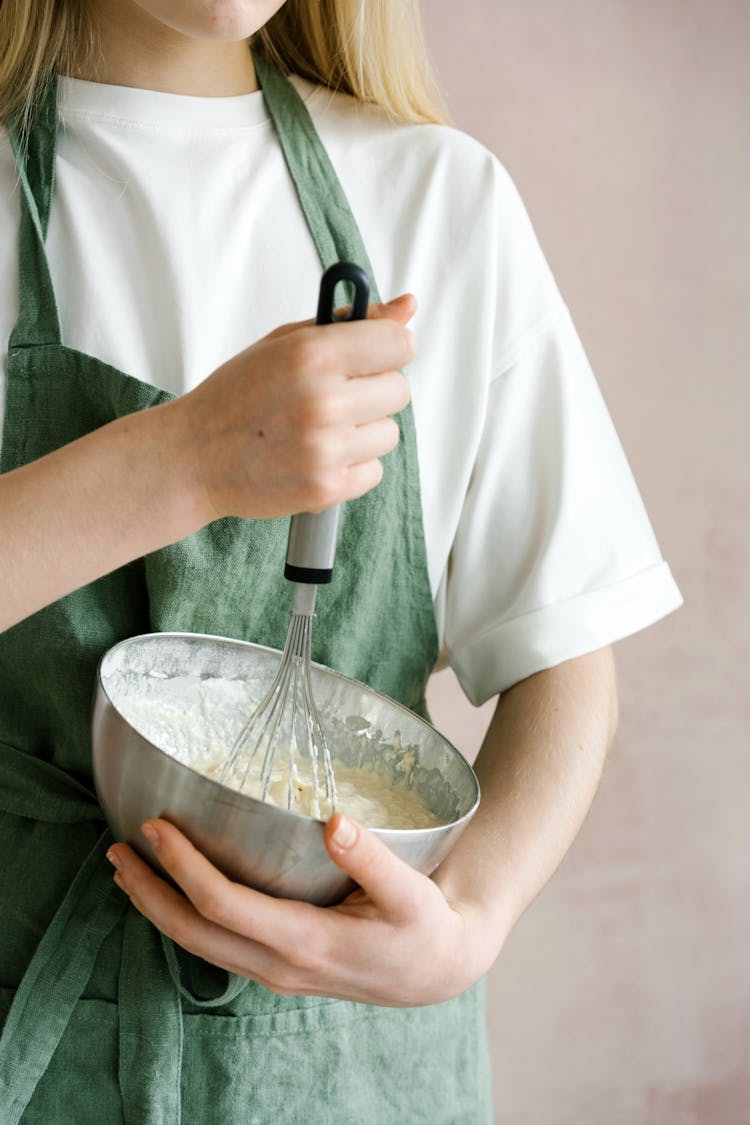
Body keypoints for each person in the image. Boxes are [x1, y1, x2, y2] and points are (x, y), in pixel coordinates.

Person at [0, 2, 682, 1122]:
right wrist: (186, 460)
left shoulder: (438, 201)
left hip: (341, 1078)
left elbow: (567, 657)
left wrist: (470, 919)